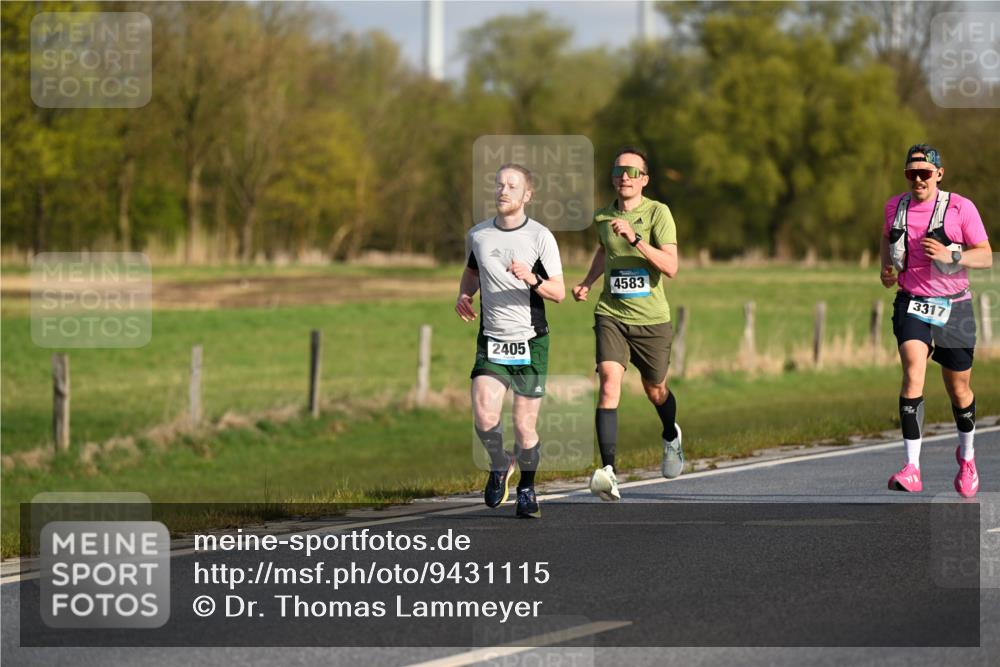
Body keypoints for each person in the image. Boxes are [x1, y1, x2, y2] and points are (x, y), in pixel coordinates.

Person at [880, 144, 992, 497]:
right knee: (913, 371)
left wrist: (950, 253)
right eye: (911, 173)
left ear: (939, 174)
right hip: (912, 301)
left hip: (954, 306)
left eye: (925, 173)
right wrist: (885, 271)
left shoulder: (961, 207)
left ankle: (968, 458)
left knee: (959, 389)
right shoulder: (894, 207)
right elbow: (886, 240)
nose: (918, 179)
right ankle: (912, 468)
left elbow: (986, 256)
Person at [456, 163, 565, 518]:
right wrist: (464, 295)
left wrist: (532, 278)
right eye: (499, 184)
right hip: (492, 339)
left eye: (512, 186)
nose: (503, 191)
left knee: (523, 425)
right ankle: (500, 463)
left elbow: (559, 293)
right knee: (485, 416)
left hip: (530, 342)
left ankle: (528, 489)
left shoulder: (540, 237)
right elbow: (472, 271)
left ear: (526, 195)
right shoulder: (479, 235)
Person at [572, 147, 681, 501]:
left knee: (655, 390)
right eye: (619, 170)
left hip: (652, 319)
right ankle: (608, 472)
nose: (624, 177)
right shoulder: (603, 216)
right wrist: (588, 282)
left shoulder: (658, 213)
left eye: (633, 172)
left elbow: (671, 266)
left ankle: (670, 435)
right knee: (608, 382)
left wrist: (635, 238)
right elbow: (604, 251)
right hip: (612, 313)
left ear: (644, 180)